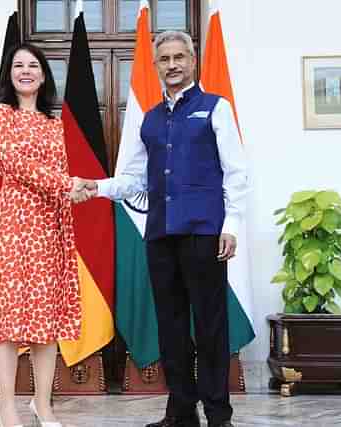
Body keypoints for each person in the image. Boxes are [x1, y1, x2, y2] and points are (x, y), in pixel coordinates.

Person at [77, 30, 248, 427]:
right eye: (164, 59)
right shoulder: (150, 120)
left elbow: (236, 173)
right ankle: (181, 412)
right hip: (161, 236)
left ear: (192, 61)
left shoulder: (215, 108)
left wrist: (231, 225)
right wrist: (96, 187)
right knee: (171, 327)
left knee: (210, 327)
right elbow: (133, 179)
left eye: (179, 57)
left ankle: (219, 415)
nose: (172, 65)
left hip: (205, 233)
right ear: (156, 66)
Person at [0, 42, 88, 427]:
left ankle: (42, 404)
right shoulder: (1, 116)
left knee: (46, 320)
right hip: (14, 225)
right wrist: (67, 184)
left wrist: (70, 199)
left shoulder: (53, 124)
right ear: (10, 75)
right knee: (11, 317)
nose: (26, 71)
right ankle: (7, 405)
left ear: (44, 75)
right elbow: (15, 165)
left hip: (49, 226)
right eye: (18, 65)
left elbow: (59, 181)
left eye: (33, 65)